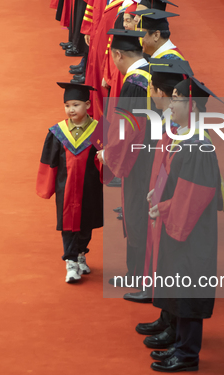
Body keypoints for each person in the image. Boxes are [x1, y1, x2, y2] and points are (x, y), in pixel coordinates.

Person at [148, 76, 224, 372]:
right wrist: (158, 195)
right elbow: (173, 179)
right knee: (177, 281)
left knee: (189, 284)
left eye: (178, 100)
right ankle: (179, 341)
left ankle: (187, 354)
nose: (171, 104)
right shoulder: (185, 137)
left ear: (192, 106)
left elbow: (193, 196)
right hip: (176, 225)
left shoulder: (199, 146)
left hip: (191, 231)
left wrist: (164, 208)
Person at [123, 59, 190, 350]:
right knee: (164, 259)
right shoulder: (167, 119)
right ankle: (166, 315)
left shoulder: (187, 132)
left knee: (175, 262)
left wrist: (163, 201)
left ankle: (178, 332)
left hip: (176, 211)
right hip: (161, 199)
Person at [98, 29, 153, 285]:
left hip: (139, 161)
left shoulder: (134, 83)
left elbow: (126, 129)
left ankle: (137, 276)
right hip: (156, 155)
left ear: (117, 54)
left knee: (136, 213)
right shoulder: (153, 71)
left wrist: (108, 155)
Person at [36, 83, 104, 283]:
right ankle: (71, 261)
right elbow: (50, 161)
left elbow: (108, 160)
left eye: (76, 104)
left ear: (88, 105)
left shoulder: (99, 130)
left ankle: (81, 253)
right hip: (65, 188)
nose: (71, 109)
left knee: (86, 224)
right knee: (67, 224)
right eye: (67, 105)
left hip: (90, 188)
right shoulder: (58, 132)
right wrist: (48, 186)